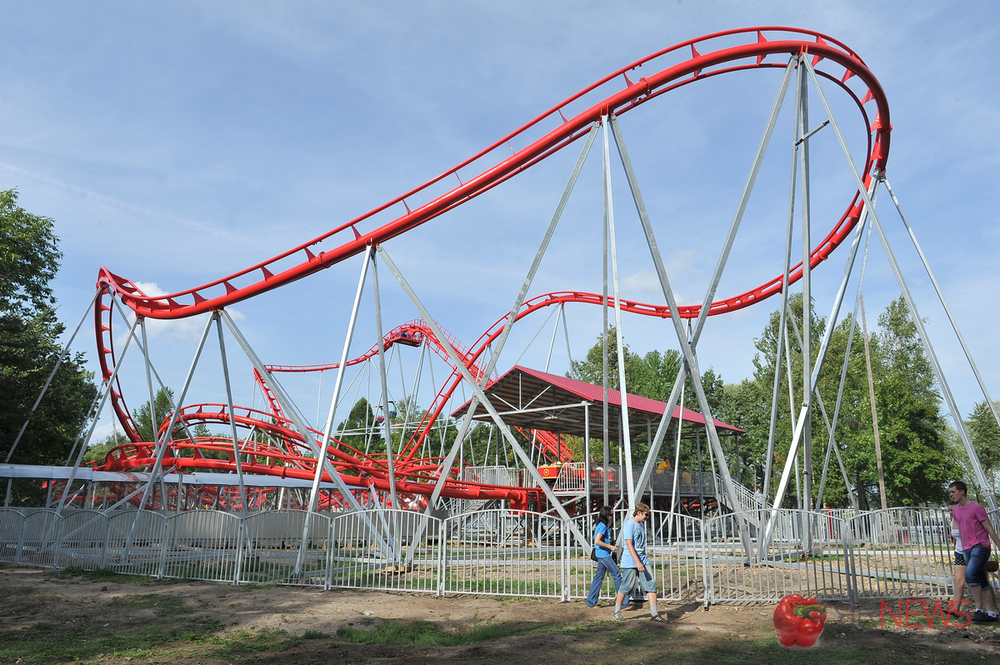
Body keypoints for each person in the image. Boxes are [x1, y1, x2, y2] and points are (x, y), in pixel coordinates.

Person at [949, 480, 1000, 622]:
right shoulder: (957, 510)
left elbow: (989, 528)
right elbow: (962, 530)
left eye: (953, 492)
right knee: (982, 580)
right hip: (966, 549)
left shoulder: (976, 508)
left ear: (962, 491)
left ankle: (979, 610)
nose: (951, 495)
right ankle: (992, 614)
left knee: (970, 575)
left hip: (980, 546)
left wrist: (998, 544)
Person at [614, 502, 665, 623]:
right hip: (631, 560)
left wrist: (642, 561)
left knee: (651, 584)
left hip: (643, 558)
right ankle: (617, 611)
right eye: (646, 515)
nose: (647, 518)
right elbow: (629, 544)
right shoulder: (629, 525)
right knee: (627, 586)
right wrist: (637, 562)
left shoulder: (641, 525)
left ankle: (654, 614)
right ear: (639, 513)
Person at [585, 505, 626, 608]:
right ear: (606, 515)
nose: (612, 517)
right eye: (611, 515)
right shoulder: (603, 526)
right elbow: (597, 541)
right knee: (617, 575)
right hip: (604, 555)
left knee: (598, 578)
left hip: (601, 554)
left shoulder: (600, 525)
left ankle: (591, 601)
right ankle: (624, 602)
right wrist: (610, 546)